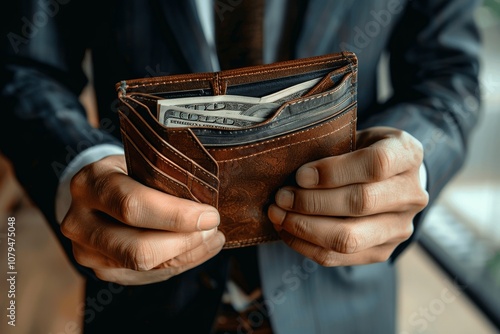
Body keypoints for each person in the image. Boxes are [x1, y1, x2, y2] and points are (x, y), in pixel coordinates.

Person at [0, 0, 481, 333]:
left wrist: (410, 165)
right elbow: (25, 67)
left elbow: (448, 75)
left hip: (342, 301)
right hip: (142, 299)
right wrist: (77, 169)